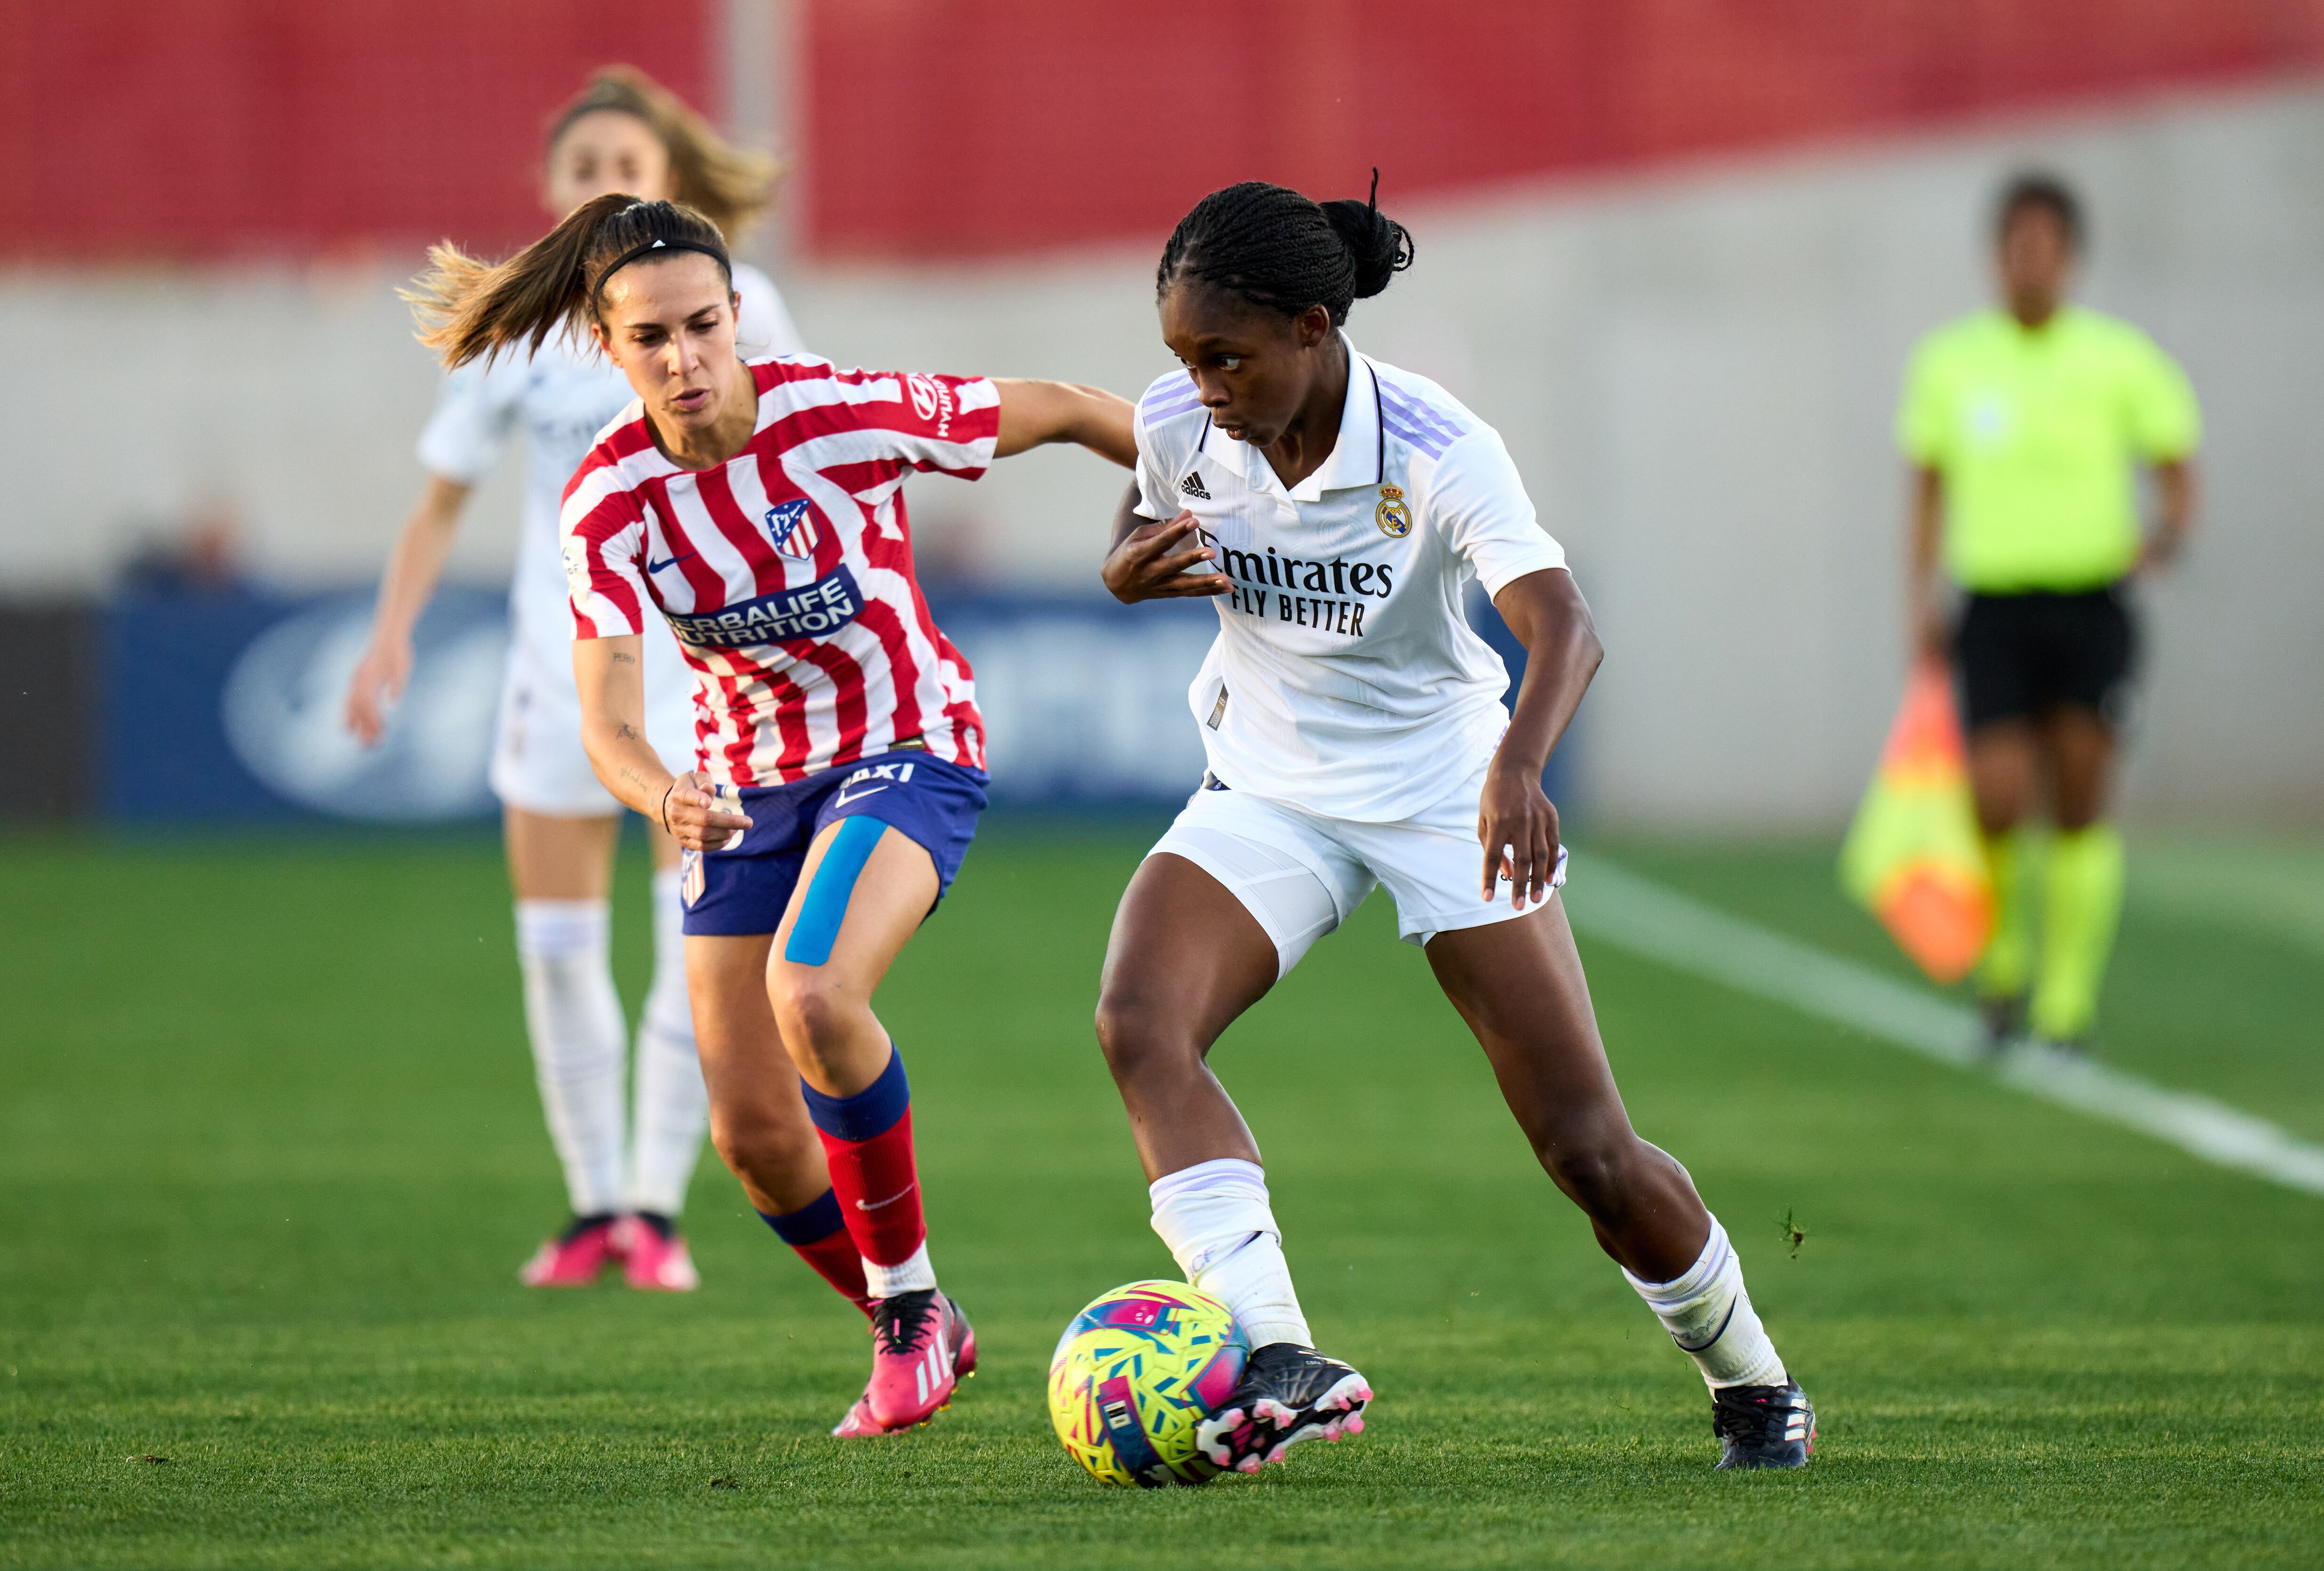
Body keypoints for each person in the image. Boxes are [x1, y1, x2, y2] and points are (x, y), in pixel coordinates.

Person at [1096, 178, 1814, 1474]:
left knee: (1587, 1149)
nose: (1199, 384)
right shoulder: (1178, 418)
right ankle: (1276, 1351)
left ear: (1317, 327)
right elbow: (1142, 520)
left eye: (1225, 355)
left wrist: (1520, 766)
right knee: (1140, 1022)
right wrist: (1122, 565)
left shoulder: (1437, 445)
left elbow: (1565, 625)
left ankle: (1753, 1376)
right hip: (1270, 782)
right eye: (1181, 356)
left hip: (1445, 790)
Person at [407, 193, 1137, 1435]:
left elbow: (1063, 407)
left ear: (740, 318)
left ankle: (905, 1320)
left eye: (703, 326)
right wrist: (661, 792)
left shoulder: (837, 412)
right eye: (652, 339)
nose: (684, 359)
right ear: (608, 345)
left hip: (906, 742)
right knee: (749, 1133)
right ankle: (920, 1315)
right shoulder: (607, 500)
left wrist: (1216, 486)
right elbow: (610, 723)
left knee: (813, 994)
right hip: (742, 787)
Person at [347, 68, 803, 1292]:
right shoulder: (523, 329)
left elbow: (801, 452)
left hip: (699, 669)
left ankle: (654, 1207)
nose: (605, 182)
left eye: (628, 164)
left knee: (686, 938)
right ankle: (594, 1200)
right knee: (555, 945)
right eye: (584, 165)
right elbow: (438, 504)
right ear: (552, 192)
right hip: (558, 668)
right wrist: (390, 635)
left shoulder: (737, 301)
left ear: (668, 184)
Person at [1898, 173, 2201, 1053]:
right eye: (2015, 244)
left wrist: (2167, 533)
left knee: (2080, 794)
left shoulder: (2120, 359)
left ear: (2070, 257)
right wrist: (1920, 594)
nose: (2029, 260)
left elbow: (2177, 463)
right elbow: (1926, 488)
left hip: (2090, 607)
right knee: (1994, 795)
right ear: (1997, 255)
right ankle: (2003, 962)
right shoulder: (1952, 362)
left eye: (2045, 245)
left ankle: (2066, 1004)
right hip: (1992, 606)